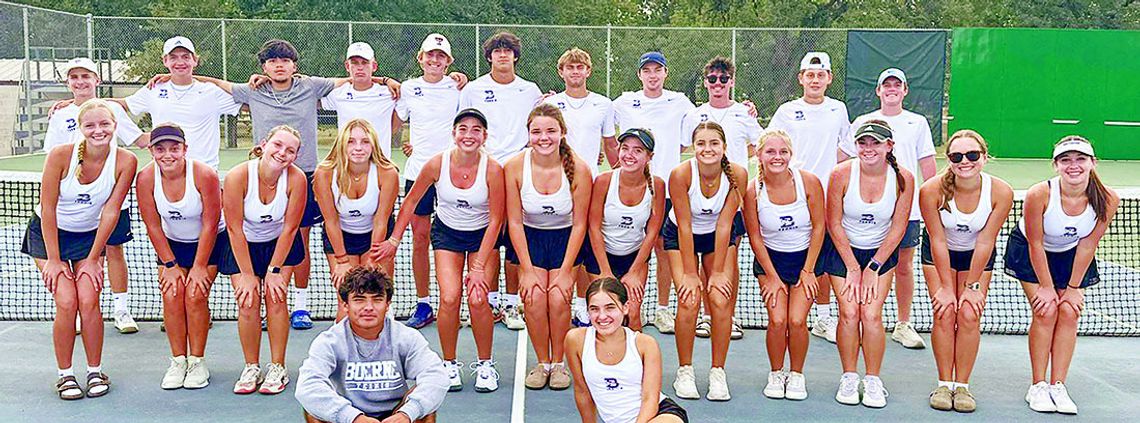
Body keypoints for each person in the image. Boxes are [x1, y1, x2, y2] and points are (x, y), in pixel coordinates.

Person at [185, 39, 400, 330]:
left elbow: (352, 76)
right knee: (272, 235)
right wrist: (187, 76)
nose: (279, 65)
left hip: (305, 175)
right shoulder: (254, 90)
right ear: (263, 67)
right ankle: (265, 295)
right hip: (267, 177)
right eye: (272, 61)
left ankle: (300, 305)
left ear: (294, 66)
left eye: (284, 61)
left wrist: (384, 79)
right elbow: (222, 84)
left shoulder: (310, 86)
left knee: (300, 239)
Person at [379, 108, 505, 393]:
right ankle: (449, 364)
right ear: (454, 133)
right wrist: (394, 241)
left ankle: (486, 364)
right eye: (463, 129)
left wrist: (477, 267)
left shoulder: (494, 169)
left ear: (484, 136)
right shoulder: (437, 164)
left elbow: (497, 219)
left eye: (476, 130)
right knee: (449, 297)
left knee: (477, 297)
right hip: (447, 233)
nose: (468, 135)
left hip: (482, 236)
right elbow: (410, 203)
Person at [23, 99, 137, 399]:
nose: (98, 130)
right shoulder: (61, 156)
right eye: (90, 125)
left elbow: (111, 212)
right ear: (81, 128)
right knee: (66, 301)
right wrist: (54, 260)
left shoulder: (126, 161)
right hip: (49, 236)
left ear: (114, 127)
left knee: (88, 300)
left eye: (105, 124)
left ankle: (95, 371)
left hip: (89, 237)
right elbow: (48, 209)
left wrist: (93, 258)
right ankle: (65, 375)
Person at [1006, 136, 1118, 415]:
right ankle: (1038, 385)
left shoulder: (1107, 199)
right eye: (1065, 160)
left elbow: (1089, 244)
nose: (1073, 165)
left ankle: (1058, 385)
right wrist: (1045, 286)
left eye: (1080, 159)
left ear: (1093, 163)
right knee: (1045, 311)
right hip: (1031, 250)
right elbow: (1035, 243)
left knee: (1068, 311)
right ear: (1055, 165)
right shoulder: (1038, 194)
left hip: (1072, 255)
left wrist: (1073, 288)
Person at [45, 58, 146, 335]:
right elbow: (51, 155)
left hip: (112, 198)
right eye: (74, 77)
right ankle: (82, 311)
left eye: (86, 76)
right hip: (74, 204)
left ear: (96, 80)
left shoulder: (112, 109)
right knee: (79, 258)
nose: (80, 81)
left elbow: (138, 140)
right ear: (68, 83)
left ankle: (121, 309)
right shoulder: (60, 114)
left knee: (114, 250)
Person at [820, 120, 914, 408]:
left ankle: (873, 379)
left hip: (880, 253)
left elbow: (898, 228)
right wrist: (851, 266)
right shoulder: (840, 174)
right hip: (842, 250)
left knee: (871, 315)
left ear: (889, 146)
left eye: (876, 142)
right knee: (849, 312)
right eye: (863, 143)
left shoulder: (904, 178)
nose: (869, 148)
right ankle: (849, 377)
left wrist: (872, 268)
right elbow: (833, 222)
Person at [918, 130, 1013, 412]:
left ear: (984, 157)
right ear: (948, 159)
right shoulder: (931, 190)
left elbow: (986, 240)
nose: (965, 161)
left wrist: (971, 287)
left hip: (978, 256)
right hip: (939, 255)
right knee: (945, 312)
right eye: (957, 156)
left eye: (972, 155)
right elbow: (936, 239)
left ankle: (963, 387)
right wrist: (947, 288)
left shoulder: (1001, 192)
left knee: (969, 315)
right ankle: (944, 384)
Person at [459, 31, 543, 331]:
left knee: (513, 239)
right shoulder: (473, 88)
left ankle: (510, 302)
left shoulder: (530, 90)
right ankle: (489, 302)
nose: (503, 54)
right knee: (490, 239)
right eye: (497, 50)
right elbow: (465, 128)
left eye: (508, 50)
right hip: (486, 171)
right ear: (490, 56)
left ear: (516, 56)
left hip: (521, 172)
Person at [505, 104, 592, 391]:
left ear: (562, 133)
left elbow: (580, 225)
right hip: (528, 240)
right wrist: (527, 271)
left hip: (566, 240)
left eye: (551, 131)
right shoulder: (515, 167)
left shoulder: (579, 169)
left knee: (557, 299)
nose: (544, 137)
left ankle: (559, 364)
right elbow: (514, 223)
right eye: (537, 131)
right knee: (533, 299)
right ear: (528, 134)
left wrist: (567, 271)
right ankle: (542, 362)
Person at [135, 124, 227, 390]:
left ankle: (197, 361)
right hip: (172, 245)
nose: (168, 155)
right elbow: (152, 225)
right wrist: (170, 265)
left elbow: (211, 223)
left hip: (209, 243)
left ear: (185, 149)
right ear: (151, 151)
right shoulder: (145, 178)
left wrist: (198, 267)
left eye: (174, 148)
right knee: (172, 294)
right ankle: (178, 361)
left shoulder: (204, 175)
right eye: (160, 149)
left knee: (195, 295)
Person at [767, 52, 851, 344]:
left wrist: (834, 181)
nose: (815, 80)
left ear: (829, 78)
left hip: (826, 195)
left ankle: (824, 317)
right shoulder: (787, 110)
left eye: (821, 75)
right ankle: (791, 308)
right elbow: (769, 144)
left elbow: (846, 148)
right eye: (810, 75)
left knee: (823, 257)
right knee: (794, 250)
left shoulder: (838, 109)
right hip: (790, 194)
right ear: (801, 78)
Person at [218, 125, 308, 395]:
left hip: (280, 245)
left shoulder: (297, 179)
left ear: (295, 156)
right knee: (247, 302)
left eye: (290, 150)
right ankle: (251, 367)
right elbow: (234, 228)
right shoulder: (237, 176)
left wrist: (274, 270)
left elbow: (291, 228)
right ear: (263, 144)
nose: (282, 153)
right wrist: (247, 275)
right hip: (241, 244)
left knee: (277, 298)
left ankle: (277, 367)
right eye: (277, 145)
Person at [851, 68, 937, 350]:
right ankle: (860, 318)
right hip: (866, 213)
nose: (891, 89)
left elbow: (927, 166)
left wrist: (933, 204)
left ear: (905, 90)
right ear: (878, 91)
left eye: (896, 85)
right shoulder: (863, 121)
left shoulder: (917, 122)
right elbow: (848, 160)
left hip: (906, 211)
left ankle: (902, 323)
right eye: (885, 85)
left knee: (903, 266)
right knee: (860, 265)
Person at [663, 122, 748, 401]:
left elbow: (725, 225)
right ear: (693, 147)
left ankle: (717, 371)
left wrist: (720, 272)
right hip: (681, 235)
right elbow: (685, 226)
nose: (707, 149)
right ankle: (685, 371)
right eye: (701, 143)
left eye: (714, 143)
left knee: (721, 299)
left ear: (724, 147)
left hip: (718, 238)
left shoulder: (738, 174)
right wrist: (690, 273)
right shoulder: (680, 174)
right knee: (689, 299)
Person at [296, 266, 448, 423]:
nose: (368, 307)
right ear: (345, 305)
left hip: (395, 415)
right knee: (313, 412)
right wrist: (352, 417)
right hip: (349, 416)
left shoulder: (407, 337)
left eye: (377, 299)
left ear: (387, 304)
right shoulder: (329, 341)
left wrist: (407, 413)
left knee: (424, 410)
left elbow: (436, 376)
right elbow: (307, 386)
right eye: (359, 300)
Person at [612, 51, 695, 336]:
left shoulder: (681, 102)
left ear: (665, 73)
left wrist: (745, 109)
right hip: (632, 188)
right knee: (631, 242)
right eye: (646, 70)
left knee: (662, 249)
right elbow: (594, 116)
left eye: (657, 70)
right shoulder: (623, 102)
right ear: (639, 75)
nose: (652, 75)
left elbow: (695, 132)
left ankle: (661, 309)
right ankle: (615, 304)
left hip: (666, 188)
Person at [680, 55, 762, 341]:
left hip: (732, 198)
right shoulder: (694, 114)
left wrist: (734, 165)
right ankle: (705, 314)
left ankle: (729, 313)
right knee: (700, 259)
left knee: (728, 257)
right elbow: (685, 148)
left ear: (731, 81)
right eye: (712, 79)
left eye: (723, 79)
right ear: (706, 83)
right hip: (700, 200)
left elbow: (757, 146)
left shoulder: (744, 113)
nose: (718, 84)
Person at [740, 129, 826, 401]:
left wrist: (809, 270)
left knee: (797, 320)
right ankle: (776, 373)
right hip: (771, 263)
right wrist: (773, 277)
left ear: (790, 154)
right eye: (770, 152)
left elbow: (819, 226)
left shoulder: (809, 182)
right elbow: (755, 236)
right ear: (759, 155)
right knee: (778, 320)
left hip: (806, 260)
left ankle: (797, 375)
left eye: (783, 152)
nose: (777, 157)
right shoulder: (753, 191)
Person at [543, 47, 617, 328]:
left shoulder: (603, 104)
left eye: (580, 67)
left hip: (592, 185)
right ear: (561, 72)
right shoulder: (550, 105)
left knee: (587, 244)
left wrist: (618, 177)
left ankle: (587, 305)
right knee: (564, 243)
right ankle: (565, 299)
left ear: (588, 71)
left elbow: (610, 145)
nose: (575, 72)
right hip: (556, 185)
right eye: (570, 67)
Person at [395, 33, 464, 330]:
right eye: (430, 55)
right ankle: (424, 303)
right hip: (418, 175)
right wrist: (402, 145)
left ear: (448, 62)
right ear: (420, 58)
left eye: (441, 56)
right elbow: (395, 123)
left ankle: (457, 301)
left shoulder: (461, 88)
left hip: (453, 174)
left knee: (458, 239)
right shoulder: (408, 89)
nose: (434, 60)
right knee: (420, 239)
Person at [565, 278, 689, 423]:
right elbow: (582, 391)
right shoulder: (575, 340)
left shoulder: (645, 344)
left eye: (610, 307)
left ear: (625, 308)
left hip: (658, 415)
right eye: (594, 309)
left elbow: (650, 398)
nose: (602, 316)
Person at [312, 118, 400, 320]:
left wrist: (372, 259)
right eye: (351, 141)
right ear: (342, 143)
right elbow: (331, 221)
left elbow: (381, 220)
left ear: (373, 145)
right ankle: (344, 349)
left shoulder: (387, 173)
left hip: (376, 237)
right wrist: (341, 261)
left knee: (377, 295)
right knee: (346, 304)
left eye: (365, 142)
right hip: (340, 237)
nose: (358, 148)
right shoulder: (324, 173)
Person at [583, 128, 666, 331]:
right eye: (625, 148)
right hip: (600, 256)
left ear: (649, 157)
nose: (629, 154)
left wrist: (635, 271)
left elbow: (652, 233)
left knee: (633, 315)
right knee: (605, 314)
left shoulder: (658, 185)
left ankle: (634, 362)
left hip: (634, 257)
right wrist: (605, 271)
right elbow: (593, 227)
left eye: (638, 150)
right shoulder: (603, 181)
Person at [123, 36, 243, 169]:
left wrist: (214, 81)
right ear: (165, 61)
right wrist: (137, 137)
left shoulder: (212, 91)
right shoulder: (153, 89)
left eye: (186, 57)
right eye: (173, 57)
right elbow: (117, 106)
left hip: (204, 172)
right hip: (165, 172)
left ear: (195, 60)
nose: (180, 62)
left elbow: (252, 104)